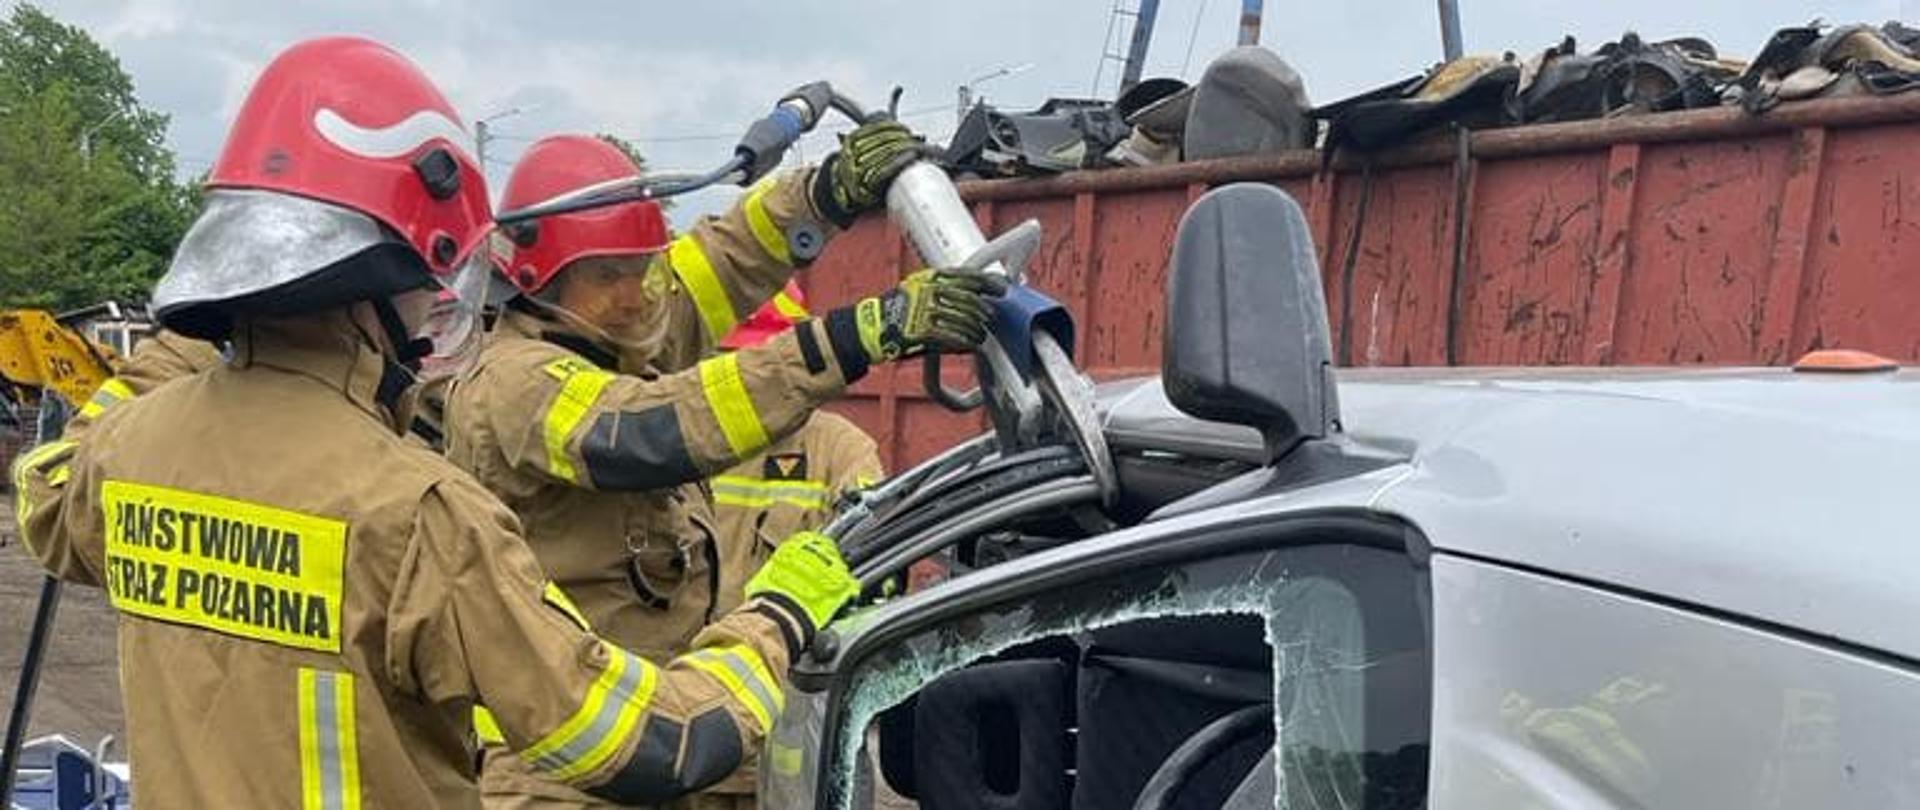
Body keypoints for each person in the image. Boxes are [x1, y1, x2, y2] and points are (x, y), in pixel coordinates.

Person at [10, 36, 857, 809]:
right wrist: (777, 617)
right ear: (377, 282)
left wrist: (201, 338)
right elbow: (650, 745)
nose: (437, 313)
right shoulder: (418, 514)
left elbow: (48, 490)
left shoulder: (125, 451)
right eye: (434, 278)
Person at [447, 130, 1003, 809]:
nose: (632, 297)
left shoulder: (613, 337)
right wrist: (858, 335)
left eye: (639, 270)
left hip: (656, 744)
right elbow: (650, 432)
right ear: (540, 281)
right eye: (604, 277)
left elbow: (717, 264)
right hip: (555, 773)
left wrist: (820, 195)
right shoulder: (516, 382)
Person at [708, 284, 885, 615]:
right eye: (732, 365)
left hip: (786, 657)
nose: (748, 383)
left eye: (763, 369)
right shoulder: (675, 448)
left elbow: (873, 559)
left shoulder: (839, 449)